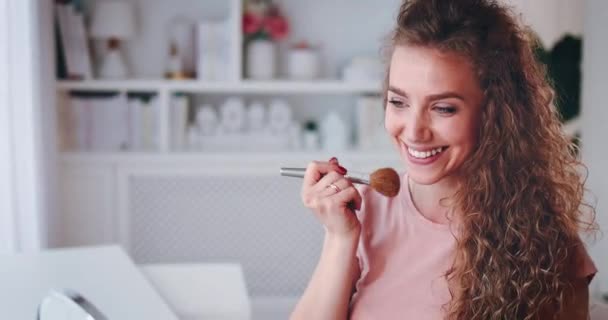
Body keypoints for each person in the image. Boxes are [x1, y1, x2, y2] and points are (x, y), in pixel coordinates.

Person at [290, 0, 598, 319]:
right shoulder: (365, 209)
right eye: (398, 101)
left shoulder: (545, 240)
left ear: (495, 114)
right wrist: (340, 238)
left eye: (443, 108)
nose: (413, 131)